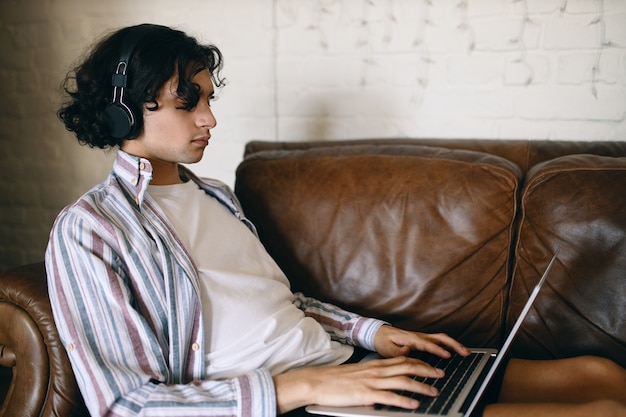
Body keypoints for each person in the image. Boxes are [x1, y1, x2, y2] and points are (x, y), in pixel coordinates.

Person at [46, 23, 626, 417]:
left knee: (601, 375)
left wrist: (374, 334)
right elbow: (125, 404)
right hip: (303, 400)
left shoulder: (215, 196)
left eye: (207, 97)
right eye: (188, 102)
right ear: (124, 114)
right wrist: (307, 386)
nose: (210, 118)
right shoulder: (91, 230)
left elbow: (283, 305)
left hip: (347, 366)